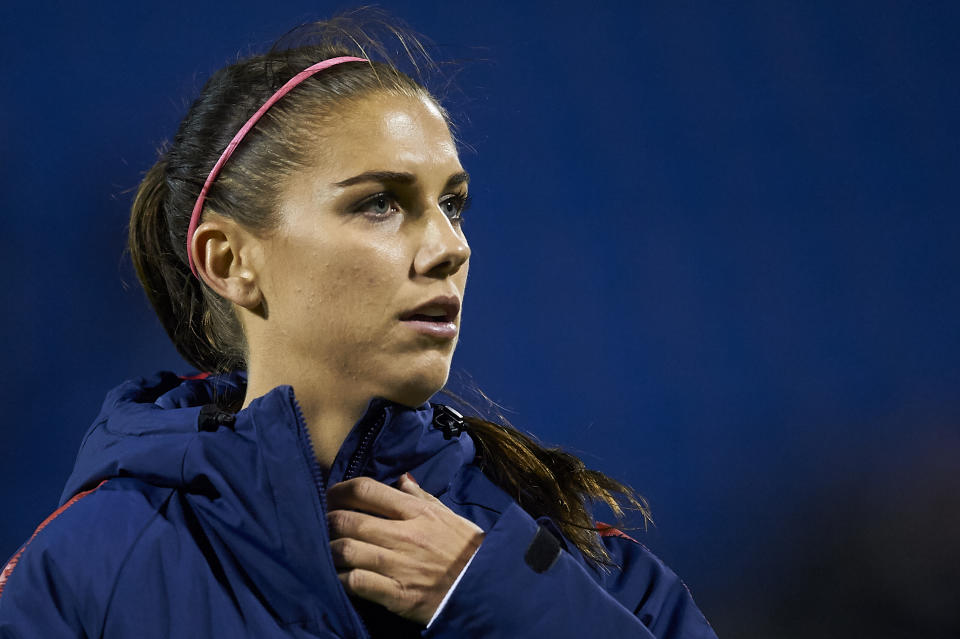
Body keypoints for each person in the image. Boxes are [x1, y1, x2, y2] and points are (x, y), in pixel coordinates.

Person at [0, 10, 717, 639]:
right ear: (228, 260)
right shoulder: (92, 570)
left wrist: (505, 601)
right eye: (380, 203)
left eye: (453, 204)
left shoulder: (580, 567)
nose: (449, 246)